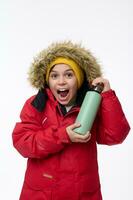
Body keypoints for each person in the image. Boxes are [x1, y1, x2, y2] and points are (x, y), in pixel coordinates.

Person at [12, 41, 130, 200]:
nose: (61, 81)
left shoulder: (92, 104)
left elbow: (115, 136)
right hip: (42, 194)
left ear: (79, 79)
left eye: (69, 74)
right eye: (54, 76)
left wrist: (107, 96)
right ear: (48, 80)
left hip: (81, 193)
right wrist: (62, 135)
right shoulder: (37, 104)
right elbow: (23, 143)